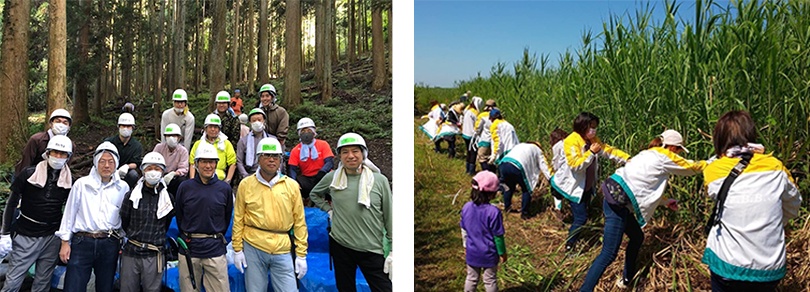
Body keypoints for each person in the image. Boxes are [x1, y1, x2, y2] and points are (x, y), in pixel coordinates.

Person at [580, 130, 706, 291]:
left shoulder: (647, 154)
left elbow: (643, 187)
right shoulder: (663, 156)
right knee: (608, 254)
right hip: (617, 205)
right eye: (679, 150)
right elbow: (691, 167)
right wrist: (715, 163)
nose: (679, 153)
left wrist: (666, 202)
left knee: (637, 237)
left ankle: (626, 279)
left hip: (614, 196)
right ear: (672, 147)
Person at [701, 111, 800, 292]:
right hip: (769, 270)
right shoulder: (776, 166)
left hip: (728, 268)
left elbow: (715, 195)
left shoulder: (713, 170)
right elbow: (794, 205)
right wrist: (777, 222)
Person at [310, 133, 394, 291]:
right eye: (345, 152)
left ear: (363, 153)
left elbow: (390, 215)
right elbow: (315, 194)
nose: (350, 156)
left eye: (355, 151)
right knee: (345, 288)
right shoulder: (333, 178)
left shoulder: (379, 180)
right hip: (341, 246)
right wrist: (329, 210)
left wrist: (394, 248)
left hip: (372, 249)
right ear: (339, 156)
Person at [233, 137, 309, 291]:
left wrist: (301, 254)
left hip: (282, 246)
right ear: (258, 159)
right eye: (266, 156)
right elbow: (238, 218)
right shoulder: (246, 185)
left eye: (276, 156)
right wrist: (237, 249)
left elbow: (299, 221)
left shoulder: (291, 186)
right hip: (253, 245)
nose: (272, 160)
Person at [0, 136, 74, 292]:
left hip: (52, 237)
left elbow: (70, 210)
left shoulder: (69, 181)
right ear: (47, 153)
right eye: (55, 152)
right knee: (13, 281)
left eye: (63, 154)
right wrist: (5, 233)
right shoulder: (29, 174)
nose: (58, 157)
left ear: (68, 157)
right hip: (26, 235)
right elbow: (12, 202)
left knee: (42, 282)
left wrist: (65, 239)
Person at [56, 141, 129, 292]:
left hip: (109, 242)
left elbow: (126, 217)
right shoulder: (81, 185)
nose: (106, 165)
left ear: (116, 164)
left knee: (105, 286)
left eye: (110, 162)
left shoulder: (123, 187)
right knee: (74, 286)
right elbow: (69, 214)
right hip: (82, 241)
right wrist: (64, 242)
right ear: (96, 163)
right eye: (102, 161)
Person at [550, 112, 629, 251]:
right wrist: (591, 153)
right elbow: (575, 166)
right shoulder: (571, 141)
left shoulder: (592, 141)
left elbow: (608, 151)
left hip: (586, 186)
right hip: (573, 187)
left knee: (583, 212)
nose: (593, 130)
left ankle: (577, 232)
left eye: (595, 127)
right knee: (581, 218)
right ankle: (569, 245)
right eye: (591, 126)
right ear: (583, 126)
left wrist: (628, 159)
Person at [175, 142, 233, 292]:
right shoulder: (185, 187)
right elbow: (180, 215)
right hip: (189, 249)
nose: (208, 166)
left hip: (215, 250)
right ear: (196, 164)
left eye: (212, 162)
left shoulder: (224, 189)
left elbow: (226, 217)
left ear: (216, 164)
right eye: (204, 162)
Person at [119, 152, 175, 292]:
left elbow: (166, 222)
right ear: (143, 171)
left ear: (162, 172)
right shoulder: (132, 196)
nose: (153, 172)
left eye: (157, 169)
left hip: (154, 255)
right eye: (149, 168)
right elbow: (125, 220)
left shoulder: (168, 199)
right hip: (132, 252)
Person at [460, 170, 506, 292]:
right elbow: (498, 236)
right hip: (489, 254)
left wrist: (465, 246)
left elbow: (464, 229)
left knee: (471, 278)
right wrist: (502, 253)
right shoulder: (494, 212)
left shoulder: (466, 207)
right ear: (492, 194)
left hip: (472, 251)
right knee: (490, 280)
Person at [498, 142, 552, 219]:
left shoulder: (520, 145)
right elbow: (544, 165)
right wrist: (550, 179)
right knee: (526, 189)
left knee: (509, 186)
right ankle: (524, 213)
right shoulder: (537, 150)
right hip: (518, 166)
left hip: (503, 164)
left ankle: (507, 208)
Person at [15, 108, 76, 176]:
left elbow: (66, 166)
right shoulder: (37, 139)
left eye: (65, 123)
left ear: (69, 127)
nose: (61, 125)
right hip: (31, 176)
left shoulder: (70, 145)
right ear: (51, 123)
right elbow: (26, 162)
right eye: (58, 121)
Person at [288, 118, 334, 204]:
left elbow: (330, 162)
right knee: (297, 183)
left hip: (322, 175)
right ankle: (305, 200)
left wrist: (322, 172)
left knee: (331, 179)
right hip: (307, 178)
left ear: (314, 131)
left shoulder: (323, 144)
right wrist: (293, 183)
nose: (306, 133)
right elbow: (292, 169)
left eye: (309, 130)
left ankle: (329, 200)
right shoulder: (296, 150)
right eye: (303, 131)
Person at [189, 114, 237, 185]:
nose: (213, 129)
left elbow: (233, 163)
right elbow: (192, 163)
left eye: (215, 127)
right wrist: (192, 181)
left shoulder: (226, 143)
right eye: (210, 127)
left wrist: (228, 180)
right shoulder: (198, 144)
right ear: (205, 128)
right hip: (200, 178)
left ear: (219, 129)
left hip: (220, 179)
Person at [105, 112, 144, 189]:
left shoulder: (136, 146)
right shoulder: (109, 142)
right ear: (119, 127)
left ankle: (126, 192)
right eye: (123, 126)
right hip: (109, 169)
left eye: (128, 126)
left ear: (133, 128)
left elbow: (135, 163)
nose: (125, 128)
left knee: (133, 174)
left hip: (126, 173)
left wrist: (126, 167)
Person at [237, 109, 275, 181]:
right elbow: (239, 161)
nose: (257, 122)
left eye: (259, 119)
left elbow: (279, 159)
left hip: (269, 174)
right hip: (250, 174)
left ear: (264, 121)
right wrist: (245, 176)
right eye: (254, 120)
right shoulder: (243, 141)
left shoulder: (272, 140)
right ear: (250, 123)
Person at [153, 123, 190, 195]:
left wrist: (173, 174)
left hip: (174, 178)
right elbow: (153, 162)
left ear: (179, 138)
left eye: (174, 135)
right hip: (159, 176)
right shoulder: (159, 147)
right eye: (169, 135)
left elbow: (184, 168)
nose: (171, 138)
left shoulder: (183, 151)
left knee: (182, 180)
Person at [257, 84, 290, 149]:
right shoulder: (258, 112)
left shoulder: (281, 111)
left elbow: (283, 128)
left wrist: (279, 143)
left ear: (272, 97)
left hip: (277, 143)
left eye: (267, 96)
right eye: (262, 96)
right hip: (261, 143)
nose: (264, 99)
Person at [461, 97, 483, 175]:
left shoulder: (467, 110)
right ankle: (471, 170)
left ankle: (467, 169)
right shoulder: (475, 113)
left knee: (469, 152)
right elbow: (478, 125)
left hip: (465, 134)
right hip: (472, 135)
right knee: (473, 153)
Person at [473, 99, 496, 171]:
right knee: (491, 159)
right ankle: (493, 174)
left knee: (482, 158)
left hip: (485, 140)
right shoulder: (497, 114)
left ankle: (487, 174)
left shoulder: (482, 116)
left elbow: (477, 129)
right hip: (495, 141)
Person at [549, 128, 569, 211]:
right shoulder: (571, 141)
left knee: (555, 188)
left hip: (564, 170)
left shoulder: (558, 145)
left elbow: (556, 160)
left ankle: (558, 209)